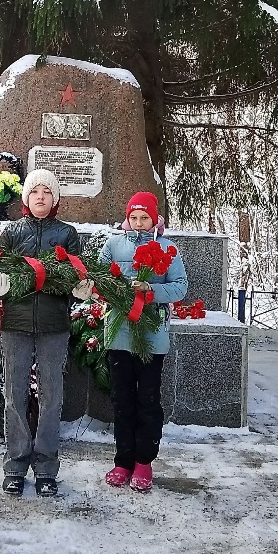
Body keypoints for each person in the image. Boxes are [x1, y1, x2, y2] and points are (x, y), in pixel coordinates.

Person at [0, 168, 81, 498]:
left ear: (55, 199)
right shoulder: (11, 231)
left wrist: (77, 286)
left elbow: (74, 272)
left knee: (51, 397)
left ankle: (46, 467)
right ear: (25, 197)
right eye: (35, 190)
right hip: (16, 325)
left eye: (47, 191)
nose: (40, 195)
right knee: (15, 395)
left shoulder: (67, 234)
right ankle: (15, 465)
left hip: (54, 326)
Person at [96, 191, 187, 492]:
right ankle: (123, 461)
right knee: (122, 400)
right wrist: (105, 290)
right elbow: (100, 278)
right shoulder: (113, 244)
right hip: (119, 333)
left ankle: (144, 461)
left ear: (154, 219)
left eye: (144, 218)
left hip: (152, 336)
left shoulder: (168, 248)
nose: (138, 223)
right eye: (133, 217)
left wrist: (151, 290)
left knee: (147, 400)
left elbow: (179, 287)